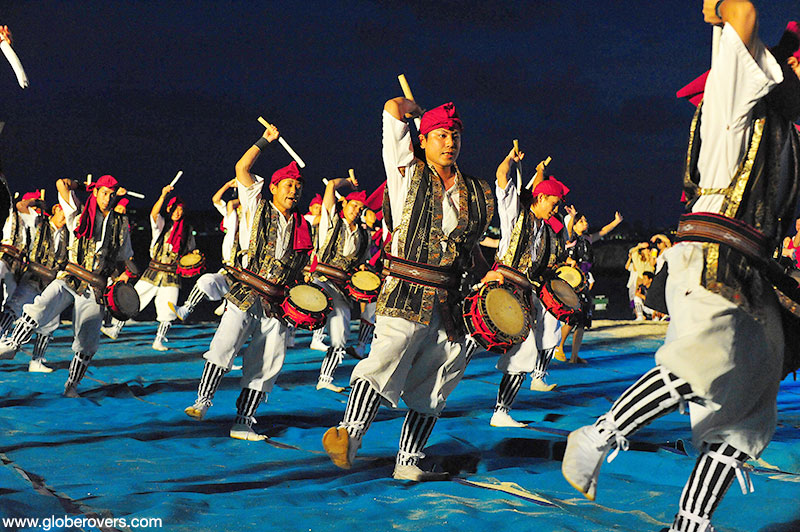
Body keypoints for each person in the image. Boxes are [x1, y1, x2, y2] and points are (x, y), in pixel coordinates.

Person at [562, 4, 800, 531]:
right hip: (713, 259)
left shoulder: (788, 136)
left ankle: (690, 524)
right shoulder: (736, 100)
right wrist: (716, 9)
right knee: (702, 362)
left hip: (753, 272)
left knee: (748, 416)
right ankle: (597, 436)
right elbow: (741, 12)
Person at [321, 97, 494, 481]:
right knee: (388, 352)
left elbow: (471, 250)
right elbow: (391, 109)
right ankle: (348, 435)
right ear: (425, 139)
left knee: (438, 378)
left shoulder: (477, 192)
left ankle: (409, 460)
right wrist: (413, 109)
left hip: (451, 299)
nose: (450, 142)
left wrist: (492, 274)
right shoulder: (405, 171)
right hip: (405, 288)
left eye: (455, 135)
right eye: (441, 135)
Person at [183, 123, 313, 441]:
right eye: (288, 185)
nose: (293, 190)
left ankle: (243, 422)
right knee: (224, 345)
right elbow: (242, 167)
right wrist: (264, 141)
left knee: (266, 364)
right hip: (245, 292)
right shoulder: (256, 206)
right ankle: (203, 400)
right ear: (273, 188)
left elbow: (301, 269)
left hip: (277, 305)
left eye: (297, 186)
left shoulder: (302, 225)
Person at [0, 176, 137, 397]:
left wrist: (128, 275)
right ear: (96, 193)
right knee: (41, 305)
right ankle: (12, 346)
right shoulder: (78, 213)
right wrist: (85, 186)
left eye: (112, 195)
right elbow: (60, 184)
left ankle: (71, 385)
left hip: (96, 286)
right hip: (70, 276)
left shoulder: (120, 223)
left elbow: (124, 256)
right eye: (104, 193)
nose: (108, 198)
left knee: (87, 341)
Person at [482, 149, 569, 427]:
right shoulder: (513, 211)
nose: (555, 211)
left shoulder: (544, 229)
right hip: (500, 285)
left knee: (524, 352)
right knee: (458, 348)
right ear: (540, 197)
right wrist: (509, 158)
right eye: (553, 205)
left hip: (520, 292)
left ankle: (501, 412)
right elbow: (501, 176)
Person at [102, 186, 196, 350]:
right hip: (153, 272)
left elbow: (189, 250)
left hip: (172, 275)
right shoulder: (161, 224)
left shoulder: (187, 230)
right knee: (133, 299)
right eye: (175, 209)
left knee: (169, 308)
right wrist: (162, 196)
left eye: (180, 210)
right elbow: (153, 214)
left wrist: (193, 255)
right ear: (169, 209)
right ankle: (115, 329)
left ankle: (159, 340)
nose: (177, 213)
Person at [311, 176, 369, 392]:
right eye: (354, 205)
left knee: (341, 334)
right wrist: (347, 182)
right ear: (344, 203)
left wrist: (363, 272)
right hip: (323, 281)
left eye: (360, 208)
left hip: (342, 289)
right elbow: (330, 185)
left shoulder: (364, 234)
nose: (356, 210)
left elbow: (362, 264)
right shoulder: (330, 221)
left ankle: (325, 379)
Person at [0, 193, 69, 372]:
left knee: (50, 322)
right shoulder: (39, 223)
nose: (65, 217)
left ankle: (37, 361)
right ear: (56, 209)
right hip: (32, 278)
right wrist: (36, 202)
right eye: (63, 212)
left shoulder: (67, 234)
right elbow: (21, 206)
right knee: (13, 309)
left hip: (50, 283)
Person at [555, 208, 623, 363]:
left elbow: (604, 231)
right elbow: (568, 229)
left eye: (585, 220)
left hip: (584, 282)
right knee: (572, 318)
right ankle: (559, 347)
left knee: (582, 320)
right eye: (581, 221)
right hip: (571, 283)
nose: (585, 223)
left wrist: (616, 222)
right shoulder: (569, 239)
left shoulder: (588, 238)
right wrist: (572, 217)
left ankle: (574, 355)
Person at [170, 179, 241, 322]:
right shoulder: (230, 217)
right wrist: (228, 185)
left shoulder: (250, 219)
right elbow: (216, 199)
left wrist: (242, 193)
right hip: (228, 267)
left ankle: (228, 301)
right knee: (206, 280)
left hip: (244, 270)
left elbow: (230, 203)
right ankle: (186, 308)